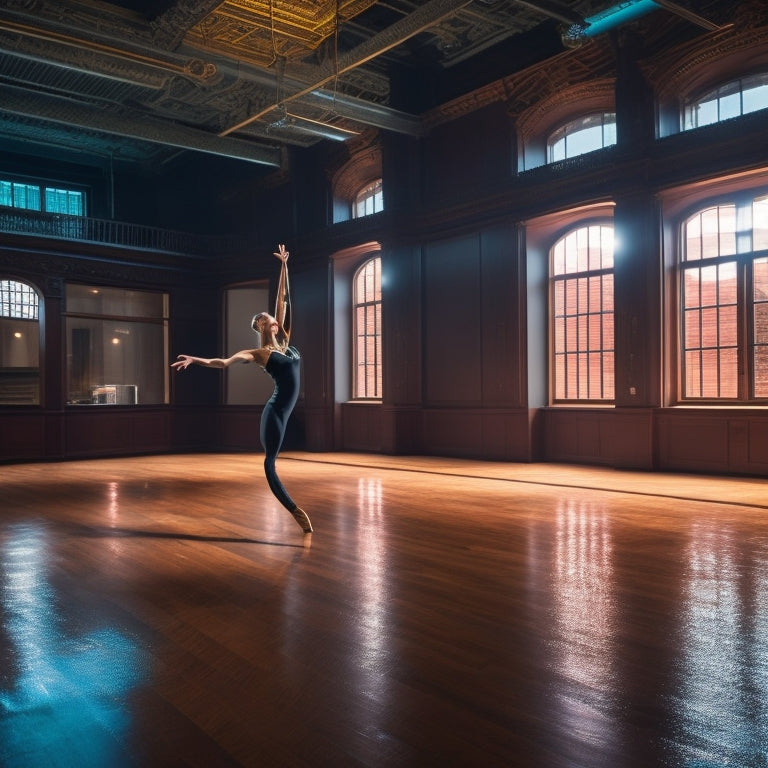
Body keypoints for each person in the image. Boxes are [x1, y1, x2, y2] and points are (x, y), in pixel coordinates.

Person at [171, 244, 313, 534]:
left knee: (271, 462)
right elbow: (223, 362)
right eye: (265, 318)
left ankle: (294, 510)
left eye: (272, 317)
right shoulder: (259, 353)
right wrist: (196, 360)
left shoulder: (286, 342)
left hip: (286, 410)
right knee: (269, 464)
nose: (272, 319)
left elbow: (284, 300)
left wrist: (284, 266)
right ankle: (295, 510)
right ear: (260, 325)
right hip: (274, 412)